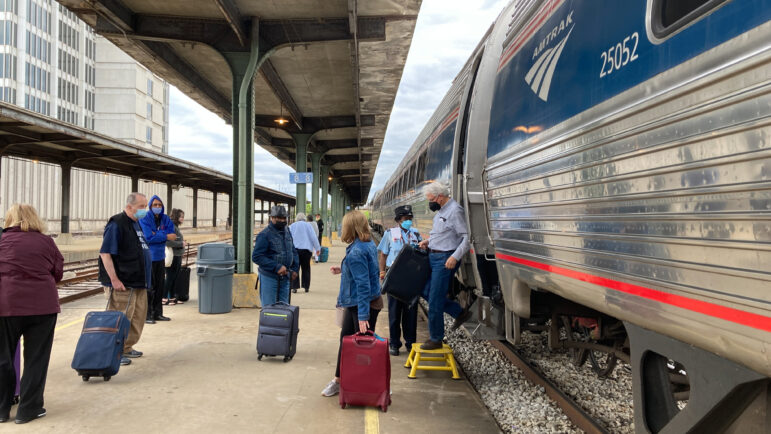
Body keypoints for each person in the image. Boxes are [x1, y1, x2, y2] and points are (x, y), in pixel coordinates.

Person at [0, 204, 63, 424]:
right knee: (36, 359)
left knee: (2, 359)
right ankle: (28, 410)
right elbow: (58, 272)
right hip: (42, 307)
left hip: (5, 306)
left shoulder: (2, 240)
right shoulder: (46, 241)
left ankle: (1, 409)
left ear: (9, 219)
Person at [321, 211, 382, 398]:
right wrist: (343, 269)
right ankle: (339, 380)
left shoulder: (356, 251)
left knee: (362, 346)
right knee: (346, 340)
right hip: (360, 302)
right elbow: (368, 271)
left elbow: (363, 285)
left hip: (361, 304)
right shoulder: (367, 243)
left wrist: (363, 316)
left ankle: (365, 384)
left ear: (350, 227)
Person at [98, 193, 153, 365]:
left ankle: (126, 347)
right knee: (120, 317)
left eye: (146, 206)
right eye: (142, 206)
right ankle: (114, 351)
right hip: (123, 283)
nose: (145, 210)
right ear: (129, 207)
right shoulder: (117, 224)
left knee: (137, 317)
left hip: (138, 282)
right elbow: (105, 253)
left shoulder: (136, 224)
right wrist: (114, 279)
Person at [417, 182, 472, 350]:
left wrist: (455, 257)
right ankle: (459, 312)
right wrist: (428, 241)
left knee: (434, 300)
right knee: (424, 290)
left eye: (431, 199)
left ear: (440, 197)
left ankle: (436, 338)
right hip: (434, 255)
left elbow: (466, 237)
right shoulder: (441, 210)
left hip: (445, 259)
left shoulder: (455, 211)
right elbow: (443, 233)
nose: (430, 203)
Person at [377, 205, 421, 356]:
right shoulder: (390, 233)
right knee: (394, 313)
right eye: (405, 219)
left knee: (411, 312)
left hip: (411, 277)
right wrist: (382, 272)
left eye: (410, 218)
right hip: (395, 276)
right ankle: (394, 343)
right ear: (398, 220)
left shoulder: (416, 234)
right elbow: (383, 254)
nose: (408, 221)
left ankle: (410, 343)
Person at [139, 195, 176, 324]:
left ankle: (158, 313)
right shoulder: (144, 218)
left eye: (159, 205)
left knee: (160, 286)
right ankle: (147, 315)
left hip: (160, 257)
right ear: (150, 206)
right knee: (149, 287)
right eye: (155, 205)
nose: (157, 207)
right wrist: (164, 235)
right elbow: (148, 237)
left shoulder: (165, 218)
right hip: (149, 257)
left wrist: (158, 234)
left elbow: (173, 236)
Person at [252, 206, 299, 306]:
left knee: (284, 309)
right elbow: (257, 256)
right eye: (278, 218)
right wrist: (276, 266)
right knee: (269, 309)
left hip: (285, 277)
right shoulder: (264, 235)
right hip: (269, 278)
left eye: (284, 218)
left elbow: (293, 250)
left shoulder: (287, 232)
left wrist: (295, 268)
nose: (282, 220)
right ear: (272, 218)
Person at [289, 213, 320, 293]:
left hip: (295, 250)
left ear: (297, 218)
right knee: (306, 268)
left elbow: (288, 237)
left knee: (295, 268)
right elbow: (314, 237)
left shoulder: (292, 226)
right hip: (306, 251)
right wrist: (317, 248)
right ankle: (306, 287)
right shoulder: (308, 225)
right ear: (304, 218)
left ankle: (294, 287)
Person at [164, 209, 188, 305]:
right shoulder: (171, 227)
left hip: (177, 255)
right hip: (173, 255)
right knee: (170, 277)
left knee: (174, 277)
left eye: (183, 217)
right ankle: (164, 297)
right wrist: (180, 244)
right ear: (176, 217)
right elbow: (167, 241)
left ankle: (173, 297)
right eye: (181, 216)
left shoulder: (175, 227)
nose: (182, 219)